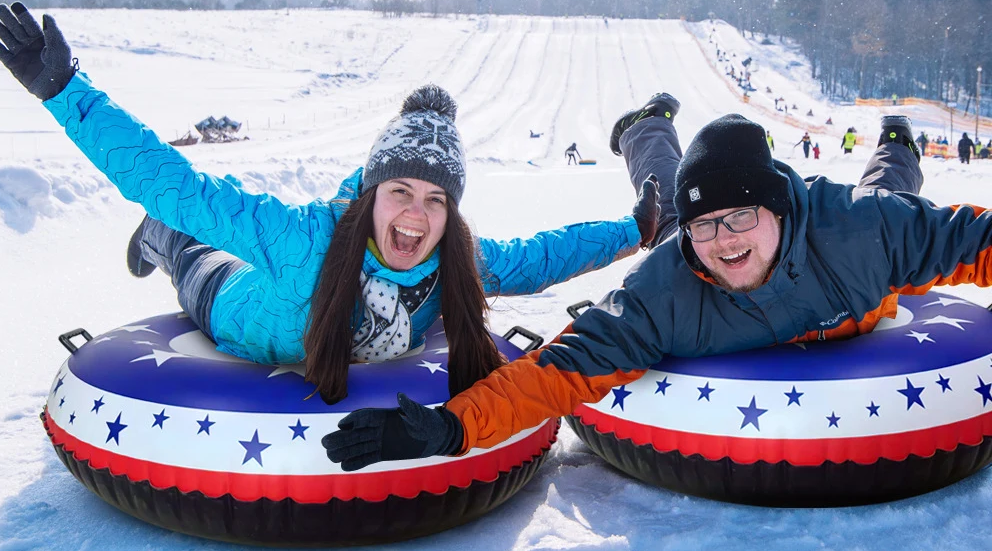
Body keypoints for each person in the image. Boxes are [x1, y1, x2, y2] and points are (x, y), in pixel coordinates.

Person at [0, 2, 661, 405]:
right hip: (234, 308)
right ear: (371, 195)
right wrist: (63, 90)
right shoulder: (304, 239)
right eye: (399, 191)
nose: (415, 217)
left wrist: (634, 228)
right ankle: (162, 239)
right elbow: (172, 182)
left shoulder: (456, 258)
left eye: (435, 200)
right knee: (187, 239)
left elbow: (542, 256)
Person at [324, 115, 950, 473]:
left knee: (892, 188)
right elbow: (557, 374)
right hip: (682, 250)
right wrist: (448, 429)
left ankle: (897, 141)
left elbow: (976, 240)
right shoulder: (670, 284)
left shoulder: (865, 233)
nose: (724, 240)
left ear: (778, 209)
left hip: (860, 241)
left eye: (739, 218)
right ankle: (648, 126)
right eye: (709, 224)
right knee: (672, 197)